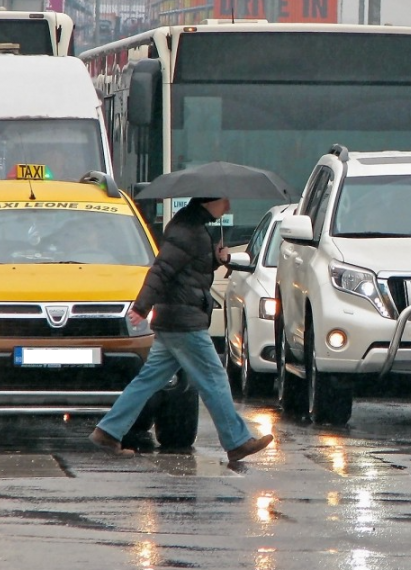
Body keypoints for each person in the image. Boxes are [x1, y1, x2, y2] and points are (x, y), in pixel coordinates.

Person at [89, 197, 274, 461]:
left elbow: (187, 270)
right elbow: (161, 270)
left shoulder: (191, 228)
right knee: (214, 379)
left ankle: (108, 431)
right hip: (183, 321)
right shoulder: (188, 231)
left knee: (148, 380)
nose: (229, 207)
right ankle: (236, 441)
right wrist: (141, 306)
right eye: (225, 201)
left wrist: (216, 259)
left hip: (175, 318)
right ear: (210, 201)